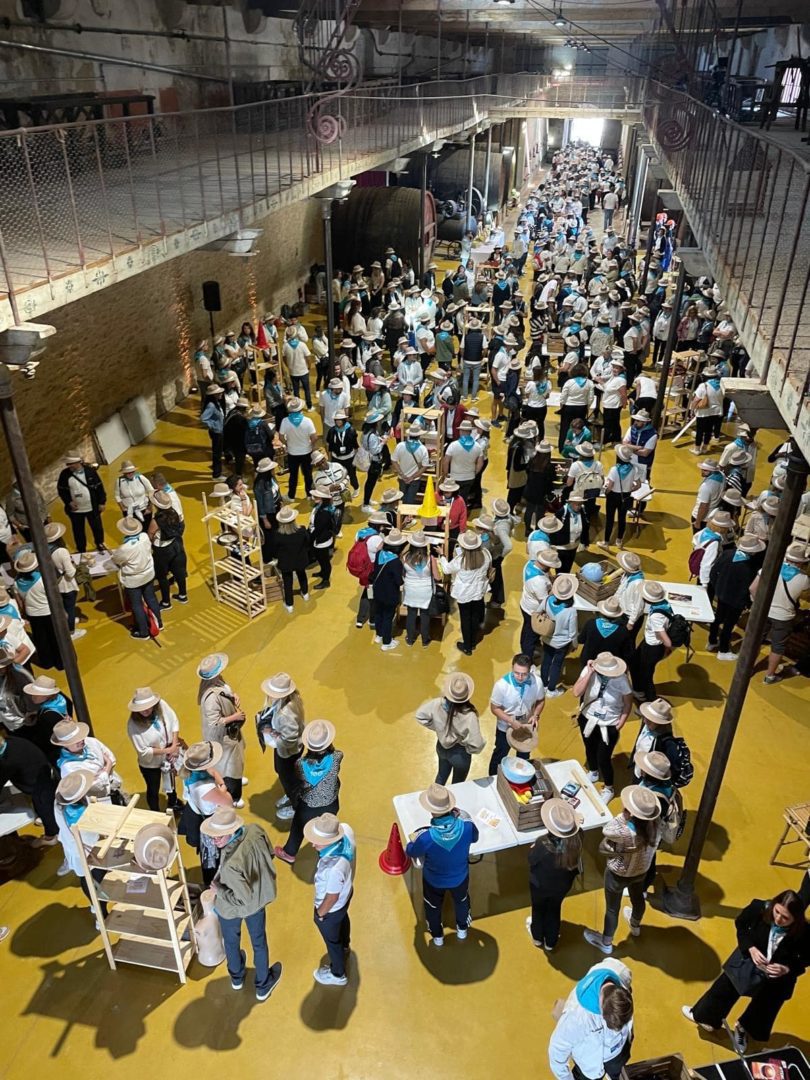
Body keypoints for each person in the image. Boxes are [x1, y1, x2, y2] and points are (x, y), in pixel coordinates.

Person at [683, 891, 809, 1055]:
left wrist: (787, 969)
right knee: (725, 989)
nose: (778, 919)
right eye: (776, 912)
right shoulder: (759, 908)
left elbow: (807, 958)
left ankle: (744, 1028)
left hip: (778, 976)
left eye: (785, 918)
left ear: (796, 919)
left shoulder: (805, 932)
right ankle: (706, 1018)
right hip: (748, 961)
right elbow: (741, 925)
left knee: (765, 1006)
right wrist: (750, 948)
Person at [203, 806, 282, 1002]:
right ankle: (263, 984)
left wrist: (218, 889)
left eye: (218, 836)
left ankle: (237, 977)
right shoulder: (255, 830)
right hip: (258, 901)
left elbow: (242, 899)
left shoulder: (231, 865)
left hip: (232, 907)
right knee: (259, 943)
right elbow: (270, 853)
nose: (214, 840)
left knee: (231, 942)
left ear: (230, 831)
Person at [584, 785, 661, 955]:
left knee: (612, 908)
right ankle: (635, 925)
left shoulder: (625, 832)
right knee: (637, 897)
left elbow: (607, 829)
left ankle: (606, 942)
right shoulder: (656, 827)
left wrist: (623, 816)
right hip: (641, 871)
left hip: (619, 874)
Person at [404, 783, 479, 947]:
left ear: (431, 810)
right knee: (461, 900)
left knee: (432, 906)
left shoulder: (426, 837)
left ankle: (437, 936)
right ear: (452, 808)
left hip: (434, 881)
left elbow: (411, 851)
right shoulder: (467, 826)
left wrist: (412, 841)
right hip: (460, 877)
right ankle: (462, 928)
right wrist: (462, 817)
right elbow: (475, 837)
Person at [549, 958, 634, 1080]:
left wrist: (628, 1037)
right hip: (589, 1064)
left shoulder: (621, 973)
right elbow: (557, 1051)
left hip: (617, 1053)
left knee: (619, 1074)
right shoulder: (576, 1017)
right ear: (601, 1010)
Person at [275, 720, 343, 865]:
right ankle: (325, 854)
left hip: (308, 805)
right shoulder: (336, 757)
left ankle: (289, 853)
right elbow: (337, 755)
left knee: (298, 829)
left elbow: (299, 780)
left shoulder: (301, 764)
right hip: (331, 802)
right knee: (326, 829)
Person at [572, 652, 633, 804]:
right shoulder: (589, 671)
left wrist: (620, 723)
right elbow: (576, 692)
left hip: (609, 724)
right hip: (588, 717)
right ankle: (593, 772)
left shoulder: (622, 680)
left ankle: (609, 788)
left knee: (603, 758)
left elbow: (627, 704)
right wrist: (589, 673)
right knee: (589, 748)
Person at [305, 812, 356, 987]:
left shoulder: (333, 869)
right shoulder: (347, 831)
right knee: (343, 920)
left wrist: (320, 914)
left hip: (331, 909)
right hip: (347, 894)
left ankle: (337, 974)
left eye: (317, 842)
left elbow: (331, 897)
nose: (312, 844)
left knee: (332, 942)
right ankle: (345, 946)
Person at [527, 798, 583, 952]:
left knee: (538, 909)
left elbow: (531, 860)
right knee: (554, 909)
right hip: (562, 885)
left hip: (540, 885)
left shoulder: (542, 844)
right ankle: (551, 942)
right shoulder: (577, 840)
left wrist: (532, 848)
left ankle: (537, 937)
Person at [752, 542, 809, 684]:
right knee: (778, 646)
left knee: (755, 641)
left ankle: (748, 668)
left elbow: (753, 588)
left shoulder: (770, 567)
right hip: (784, 616)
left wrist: (757, 604)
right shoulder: (804, 579)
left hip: (764, 611)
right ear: (801, 562)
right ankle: (770, 675)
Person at [177, 740, 233, 885]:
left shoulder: (190, 772)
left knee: (209, 858)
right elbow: (228, 802)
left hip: (194, 812)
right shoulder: (205, 788)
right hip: (209, 822)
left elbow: (213, 771)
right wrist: (222, 786)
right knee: (211, 861)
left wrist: (219, 784)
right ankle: (212, 887)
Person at [415, 673, 485, 784]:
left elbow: (420, 715)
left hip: (442, 748)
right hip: (460, 754)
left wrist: (438, 728)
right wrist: (467, 748)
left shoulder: (437, 703)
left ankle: (435, 798)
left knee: (441, 776)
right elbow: (477, 744)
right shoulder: (469, 715)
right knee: (457, 785)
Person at [197, 652, 246, 807]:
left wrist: (234, 696)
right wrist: (234, 717)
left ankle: (236, 778)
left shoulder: (218, 682)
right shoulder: (210, 698)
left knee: (235, 762)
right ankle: (234, 796)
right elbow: (214, 723)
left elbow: (226, 691)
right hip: (223, 739)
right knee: (228, 767)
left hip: (230, 736)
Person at [255, 672, 304, 822]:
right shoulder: (293, 699)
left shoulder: (285, 714)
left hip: (288, 751)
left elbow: (289, 738)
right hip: (293, 748)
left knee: (289, 778)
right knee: (283, 772)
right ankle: (291, 794)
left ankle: (297, 806)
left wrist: (276, 736)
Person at [708, 534, 765, 660]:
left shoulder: (727, 554)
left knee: (717, 618)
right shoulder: (750, 567)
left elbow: (713, 572)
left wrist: (718, 587)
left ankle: (712, 641)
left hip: (721, 593)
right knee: (729, 625)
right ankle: (723, 650)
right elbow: (749, 588)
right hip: (736, 601)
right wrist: (747, 603)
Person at [0, 727, 59, 847]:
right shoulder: (12, 741)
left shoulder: (8, 761)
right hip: (45, 772)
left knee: (46, 810)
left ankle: (51, 837)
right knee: (44, 806)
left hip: (40, 785)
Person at [488, 653, 545, 775]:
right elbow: (494, 708)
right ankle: (493, 777)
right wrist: (511, 721)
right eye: (516, 673)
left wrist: (535, 715)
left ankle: (521, 776)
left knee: (524, 755)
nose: (519, 677)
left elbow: (541, 700)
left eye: (524, 674)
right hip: (505, 727)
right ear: (512, 667)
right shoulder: (501, 686)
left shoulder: (537, 682)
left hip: (526, 727)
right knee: (500, 753)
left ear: (530, 671)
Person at [126, 686, 181, 812]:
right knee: (153, 788)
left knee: (171, 783)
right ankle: (155, 812)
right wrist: (168, 750)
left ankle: (174, 803)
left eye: (148, 706)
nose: (146, 710)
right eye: (142, 709)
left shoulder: (161, 706)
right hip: (150, 764)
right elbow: (143, 751)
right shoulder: (133, 725)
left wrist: (174, 745)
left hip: (168, 756)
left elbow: (174, 722)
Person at [439, 530, 492, 656]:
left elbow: (446, 569)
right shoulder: (485, 554)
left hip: (464, 593)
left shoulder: (461, 560)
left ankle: (467, 646)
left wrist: (442, 556)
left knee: (465, 618)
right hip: (478, 590)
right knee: (474, 616)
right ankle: (473, 642)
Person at [110, 517, 162, 641]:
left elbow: (116, 559)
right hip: (148, 574)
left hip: (133, 580)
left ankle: (143, 631)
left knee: (137, 605)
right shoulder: (144, 537)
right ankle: (159, 623)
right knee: (151, 598)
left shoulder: (125, 548)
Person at [13, 551, 64, 670]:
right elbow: (54, 596)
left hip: (32, 614)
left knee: (41, 639)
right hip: (48, 612)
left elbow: (19, 601)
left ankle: (47, 662)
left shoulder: (16, 582)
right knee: (55, 638)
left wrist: (24, 613)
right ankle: (60, 663)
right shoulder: (42, 580)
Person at [629, 581, 672, 702]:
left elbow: (666, 641)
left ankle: (650, 702)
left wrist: (667, 647)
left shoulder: (655, 617)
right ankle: (638, 691)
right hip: (648, 643)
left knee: (646, 676)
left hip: (652, 648)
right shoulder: (665, 605)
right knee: (634, 663)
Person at [56, 454, 107, 553]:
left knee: (97, 528)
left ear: (78, 462)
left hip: (92, 507)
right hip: (76, 510)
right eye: (68, 464)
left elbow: (99, 487)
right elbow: (61, 490)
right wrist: (69, 502)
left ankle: (99, 543)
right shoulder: (64, 474)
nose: (69, 466)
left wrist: (102, 502)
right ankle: (81, 549)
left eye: (71, 464)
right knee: (78, 531)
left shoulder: (90, 471)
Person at [147, 490, 188, 609]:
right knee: (179, 572)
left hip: (162, 550)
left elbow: (150, 534)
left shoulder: (156, 520)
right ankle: (183, 595)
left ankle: (166, 602)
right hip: (175, 545)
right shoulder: (174, 513)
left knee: (162, 576)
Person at [541, 573, 579, 697]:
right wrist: (574, 644)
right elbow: (572, 632)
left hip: (546, 638)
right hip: (561, 644)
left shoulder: (547, 600)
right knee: (556, 665)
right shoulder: (571, 611)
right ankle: (551, 690)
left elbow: (537, 611)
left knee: (546, 660)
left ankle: (543, 684)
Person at [44, 522, 83, 641]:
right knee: (70, 607)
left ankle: (68, 622)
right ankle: (71, 631)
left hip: (54, 583)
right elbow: (70, 572)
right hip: (66, 584)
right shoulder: (61, 551)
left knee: (63, 606)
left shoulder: (44, 549)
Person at [599, 445, 641, 552]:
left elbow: (610, 486)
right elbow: (638, 485)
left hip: (613, 496)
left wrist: (606, 492)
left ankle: (606, 542)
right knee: (622, 519)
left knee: (610, 519)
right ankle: (619, 541)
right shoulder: (634, 469)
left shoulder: (614, 470)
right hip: (626, 496)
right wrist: (630, 489)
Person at [370, 528, 406, 651]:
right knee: (388, 617)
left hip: (378, 590)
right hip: (390, 594)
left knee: (379, 613)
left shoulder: (379, 554)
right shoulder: (395, 562)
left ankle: (379, 635)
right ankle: (387, 642)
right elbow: (398, 581)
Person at [402, 531, 438, 648]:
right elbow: (437, 577)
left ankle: (410, 639)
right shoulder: (430, 559)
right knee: (425, 615)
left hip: (410, 590)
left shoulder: (405, 557)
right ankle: (425, 640)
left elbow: (403, 573)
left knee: (411, 614)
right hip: (425, 591)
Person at [272, 506, 311, 613]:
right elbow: (307, 543)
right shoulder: (302, 531)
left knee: (287, 582)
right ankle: (305, 593)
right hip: (300, 559)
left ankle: (289, 604)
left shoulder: (278, 535)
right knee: (302, 575)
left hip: (286, 563)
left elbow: (274, 550)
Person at [279, 398, 317, 500]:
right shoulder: (308, 421)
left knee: (293, 476)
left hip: (292, 453)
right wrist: (309, 444)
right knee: (308, 474)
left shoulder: (285, 421)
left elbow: (281, 437)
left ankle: (291, 496)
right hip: (306, 452)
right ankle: (309, 495)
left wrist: (288, 444)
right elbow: (314, 437)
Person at [578, 597, 632, 665]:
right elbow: (627, 652)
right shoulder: (623, 630)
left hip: (589, 662)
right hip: (609, 665)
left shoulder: (590, 624)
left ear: (602, 612)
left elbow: (580, 640)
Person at [444, 420, 484, 506]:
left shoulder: (453, 445)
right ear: (470, 432)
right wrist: (474, 472)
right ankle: (463, 514)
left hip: (455, 477)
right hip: (469, 477)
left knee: (453, 499)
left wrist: (446, 475)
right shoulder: (478, 446)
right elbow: (480, 463)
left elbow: (446, 461)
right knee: (463, 498)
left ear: (461, 431)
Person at [308, 487, 338, 591]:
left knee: (324, 560)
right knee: (320, 558)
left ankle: (326, 580)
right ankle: (322, 572)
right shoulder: (320, 507)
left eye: (316, 496)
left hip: (322, 539)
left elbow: (319, 529)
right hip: (319, 538)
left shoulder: (324, 513)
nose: (314, 497)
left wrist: (310, 538)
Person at [392, 425, 429, 504]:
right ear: (419, 436)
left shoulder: (400, 446)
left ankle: (401, 515)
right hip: (415, 479)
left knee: (402, 498)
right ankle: (408, 515)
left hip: (402, 478)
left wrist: (402, 474)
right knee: (410, 500)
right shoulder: (423, 449)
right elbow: (424, 466)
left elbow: (394, 460)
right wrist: (412, 477)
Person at [359, 411, 387, 512]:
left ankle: (367, 499)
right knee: (370, 482)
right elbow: (375, 450)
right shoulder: (372, 435)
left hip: (369, 460)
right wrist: (383, 443)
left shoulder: (367, 433)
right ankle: (365, 504)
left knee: (370, 482)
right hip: (373, 461)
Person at [326, 412, 359, 497]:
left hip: (349, 458)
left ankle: (356, 488)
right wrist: (329, 458)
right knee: (338, 476)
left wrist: (357, 457)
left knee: (352, 475)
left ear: (344, 420)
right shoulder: (332, 431)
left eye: (340, 420)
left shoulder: (351, 430)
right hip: (336, 458)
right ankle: (342, 493)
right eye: (336, 420)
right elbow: (330, 446)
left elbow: (355, 445)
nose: (338, 422)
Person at [114, 461, 154, 526]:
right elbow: (117, 495)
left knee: (147, 530)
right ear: (124, 473)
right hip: (129, 511)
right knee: (133, 530)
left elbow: (151, 492)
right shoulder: (119, 481)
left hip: (144, 510)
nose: (130, 474)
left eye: (132, 471)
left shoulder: (141, 478)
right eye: (128, 472)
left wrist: (150, 508)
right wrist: (123, 508)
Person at [200, 385, 226, 478]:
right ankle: (217, 474)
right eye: (219, 393)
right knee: (217, 454)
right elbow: (203, 419)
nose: (221, 394)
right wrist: (213, 426)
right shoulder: (211, 405)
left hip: (219, 431)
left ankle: (217, 472)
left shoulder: (216, 403)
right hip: (216, 432)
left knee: (218, 453)